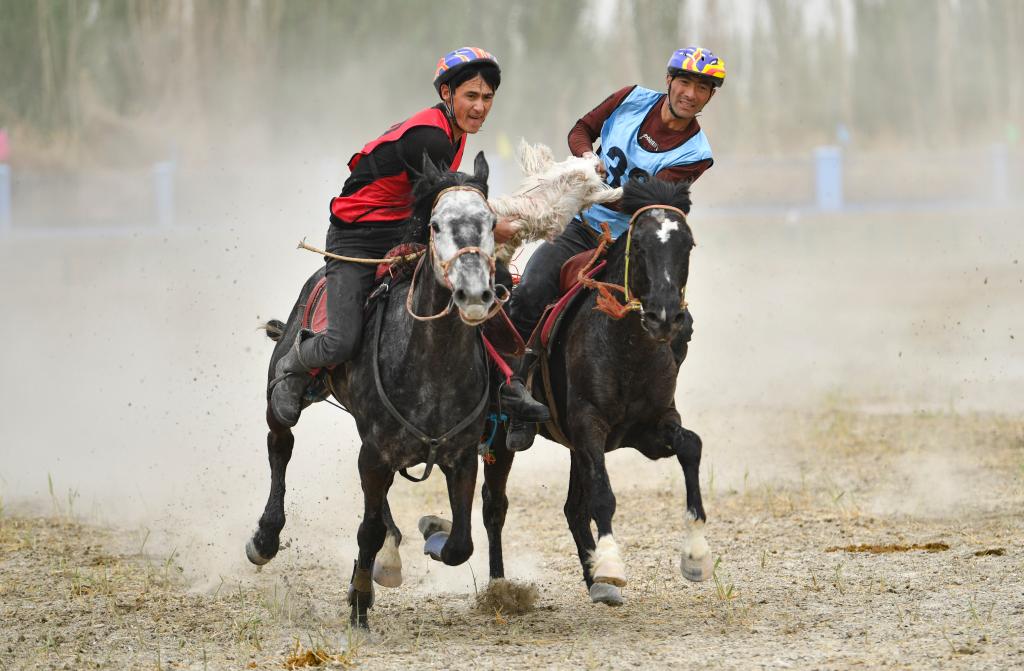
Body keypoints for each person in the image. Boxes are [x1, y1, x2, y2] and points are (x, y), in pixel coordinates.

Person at [270, 47, 548, 429]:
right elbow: (435, 211)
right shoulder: (432, 137)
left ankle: (505, 383)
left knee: (491, 279)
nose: (480, 107)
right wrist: (491, 224)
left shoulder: (453, 131)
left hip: (405, 227)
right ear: (446, 93)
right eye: (471, 95)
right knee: (341, 341)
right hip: (358, 237)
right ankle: (294, 367)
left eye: (487, 97)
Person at [503, 46, 726, 451]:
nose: (691, 94)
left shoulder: (697, 153)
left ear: (710, 96)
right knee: (530, 291)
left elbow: (647, 199)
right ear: (669, 80)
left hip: (631, 244)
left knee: (681, 324)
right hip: (580, 226)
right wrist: (587, 158)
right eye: (685, 82)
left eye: (703, 88)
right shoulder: (630, 98)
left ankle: (658, 409)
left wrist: (593, 184)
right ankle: (516, 394)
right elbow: (581, 129)